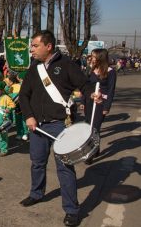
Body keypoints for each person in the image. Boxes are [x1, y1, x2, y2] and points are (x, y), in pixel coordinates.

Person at [18, 30, 101, 227]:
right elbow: (23, 96)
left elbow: (86, 84)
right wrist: (29, 116)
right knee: (37, 163)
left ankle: (71, 210)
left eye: (35, 46)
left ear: (48, 46)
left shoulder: (66, 65)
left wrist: (92, 95)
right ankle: (36, 193)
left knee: (65, 168)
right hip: (37, 126)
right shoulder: (33, 68)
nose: (31, 50)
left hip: (59, 125)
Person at [83, 48, 117, 165]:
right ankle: (96, 148)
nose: (91, 58)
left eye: (93, 56)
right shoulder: (90, 69)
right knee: (88, 126)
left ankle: (90, 153)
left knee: (95, 128)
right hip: (89, 102)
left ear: (100, 57)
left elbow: (111, 90)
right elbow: (86, 87)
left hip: (100, 104)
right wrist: (83, 102)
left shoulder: (110, 71)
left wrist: (106, 107)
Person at [15, 71, 29, 141]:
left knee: (24, 120)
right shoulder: (15, 86)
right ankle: (19, 133)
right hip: (17, 106)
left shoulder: (28, 86)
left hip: (25, 106)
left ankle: (25, 133)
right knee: (18, 120)